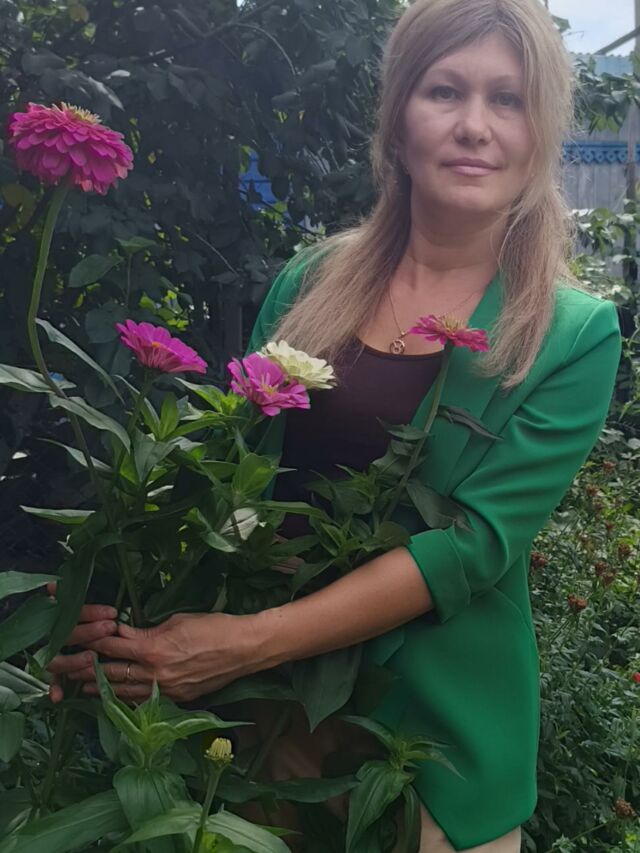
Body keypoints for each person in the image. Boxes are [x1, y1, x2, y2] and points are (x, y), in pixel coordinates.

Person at [47, 0, 623, 850]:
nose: (474, 125)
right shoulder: (312, 283)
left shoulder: (571, 334)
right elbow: (234, 484)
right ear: (398, 118)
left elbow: (468, 548)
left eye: (507, 99)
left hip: (432, 758)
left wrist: (242, 644)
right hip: (259, 731)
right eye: (444, 91)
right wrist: (120, 616)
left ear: (540, 132)